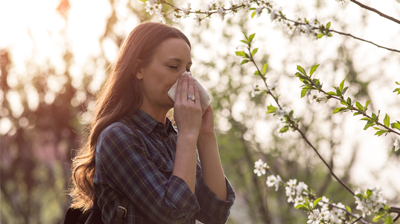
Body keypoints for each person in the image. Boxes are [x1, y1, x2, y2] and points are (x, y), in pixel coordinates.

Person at [69, 22, 236, 224]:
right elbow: (171, 214)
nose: (186, 79)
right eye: (174, 67)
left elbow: (215, 214)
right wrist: (188, 136)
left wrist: (206, 136)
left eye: (188, 69)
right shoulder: (118, 136)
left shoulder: (174, 138)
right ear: (139, 69)